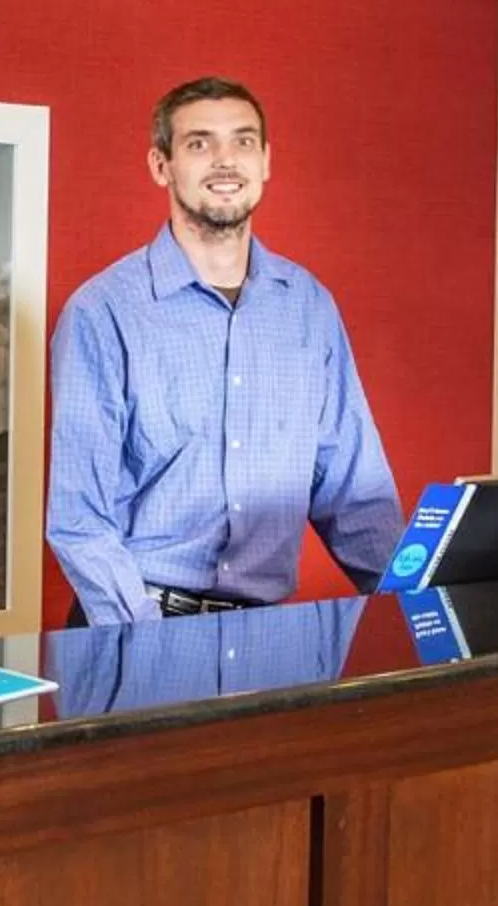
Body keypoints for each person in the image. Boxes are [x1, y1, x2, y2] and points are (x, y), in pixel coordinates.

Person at [47, 76, 404, 625]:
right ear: (160, 165)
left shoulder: (308, 306)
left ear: (265, 162)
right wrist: (142, 639)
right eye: (198, 143)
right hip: (139, 624)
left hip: (268, 635)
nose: (225, 160)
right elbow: (80, 519)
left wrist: (422, 609)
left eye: (243, 141)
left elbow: (354, 492)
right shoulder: (103, 313)